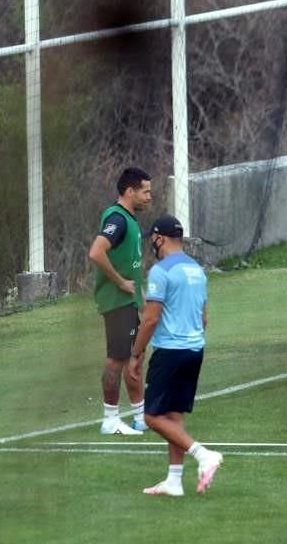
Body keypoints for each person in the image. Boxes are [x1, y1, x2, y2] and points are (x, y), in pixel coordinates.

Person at [129, 215, 222, 496]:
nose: (151, 245)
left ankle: (203, 454)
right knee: (173, 415)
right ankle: (174, 481)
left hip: (170, 352)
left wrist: (136, 354)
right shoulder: (197, 269)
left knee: (151, 417)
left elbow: (150, 319)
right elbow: (204, 317)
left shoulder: (160, 271)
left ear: (160, 238)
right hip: (195, 350)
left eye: (152, 240)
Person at [88, 166, 153, 435]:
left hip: (128, 301)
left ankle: (140, 416)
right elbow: (96, 252)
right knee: (117, 359)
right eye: (145, 191)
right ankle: (110, 419)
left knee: (134, 356)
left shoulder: (129, 219)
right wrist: (120, 282)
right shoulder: (118, 219)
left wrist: (139, 293)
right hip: (116, 302)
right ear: (130, 191)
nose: (150, 197)